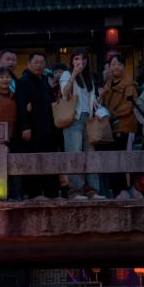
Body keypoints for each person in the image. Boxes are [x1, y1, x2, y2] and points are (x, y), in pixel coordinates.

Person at [15, 52, 57, 200]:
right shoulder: (24, 81)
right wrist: (25, 127)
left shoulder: (45, 80)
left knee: (48, 159)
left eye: (42, 62)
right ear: (29, 64)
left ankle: (50, 192)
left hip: (47, 126)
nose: (39, 65)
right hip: (32, 127)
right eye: (36, 62)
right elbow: (21, 106)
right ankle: (34, 193)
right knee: (33, 160)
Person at [60, 48, 101, 198]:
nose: (80, 62)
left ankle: (92, 190)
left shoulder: (88, 76)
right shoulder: (66, 74)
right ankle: (75, 191)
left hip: (88, 118)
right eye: (76, 58)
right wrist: (74, 74)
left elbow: (91, 100)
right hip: (73, 119)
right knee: (75, 155)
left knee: (91, 156)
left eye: (83, 59)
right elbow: (65, 93)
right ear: (71, 61)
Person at [99, 53, 139, 197]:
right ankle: (118, 191)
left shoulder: (129, 85)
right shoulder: (107, 85)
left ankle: (127, 189)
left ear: (123, 66)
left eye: (118, 64)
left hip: (126, 127)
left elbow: (128, 106)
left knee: (126, 160)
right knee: (114, 160)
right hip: (112, 129)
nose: (115, 67)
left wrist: (111, 114)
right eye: (112, 65)